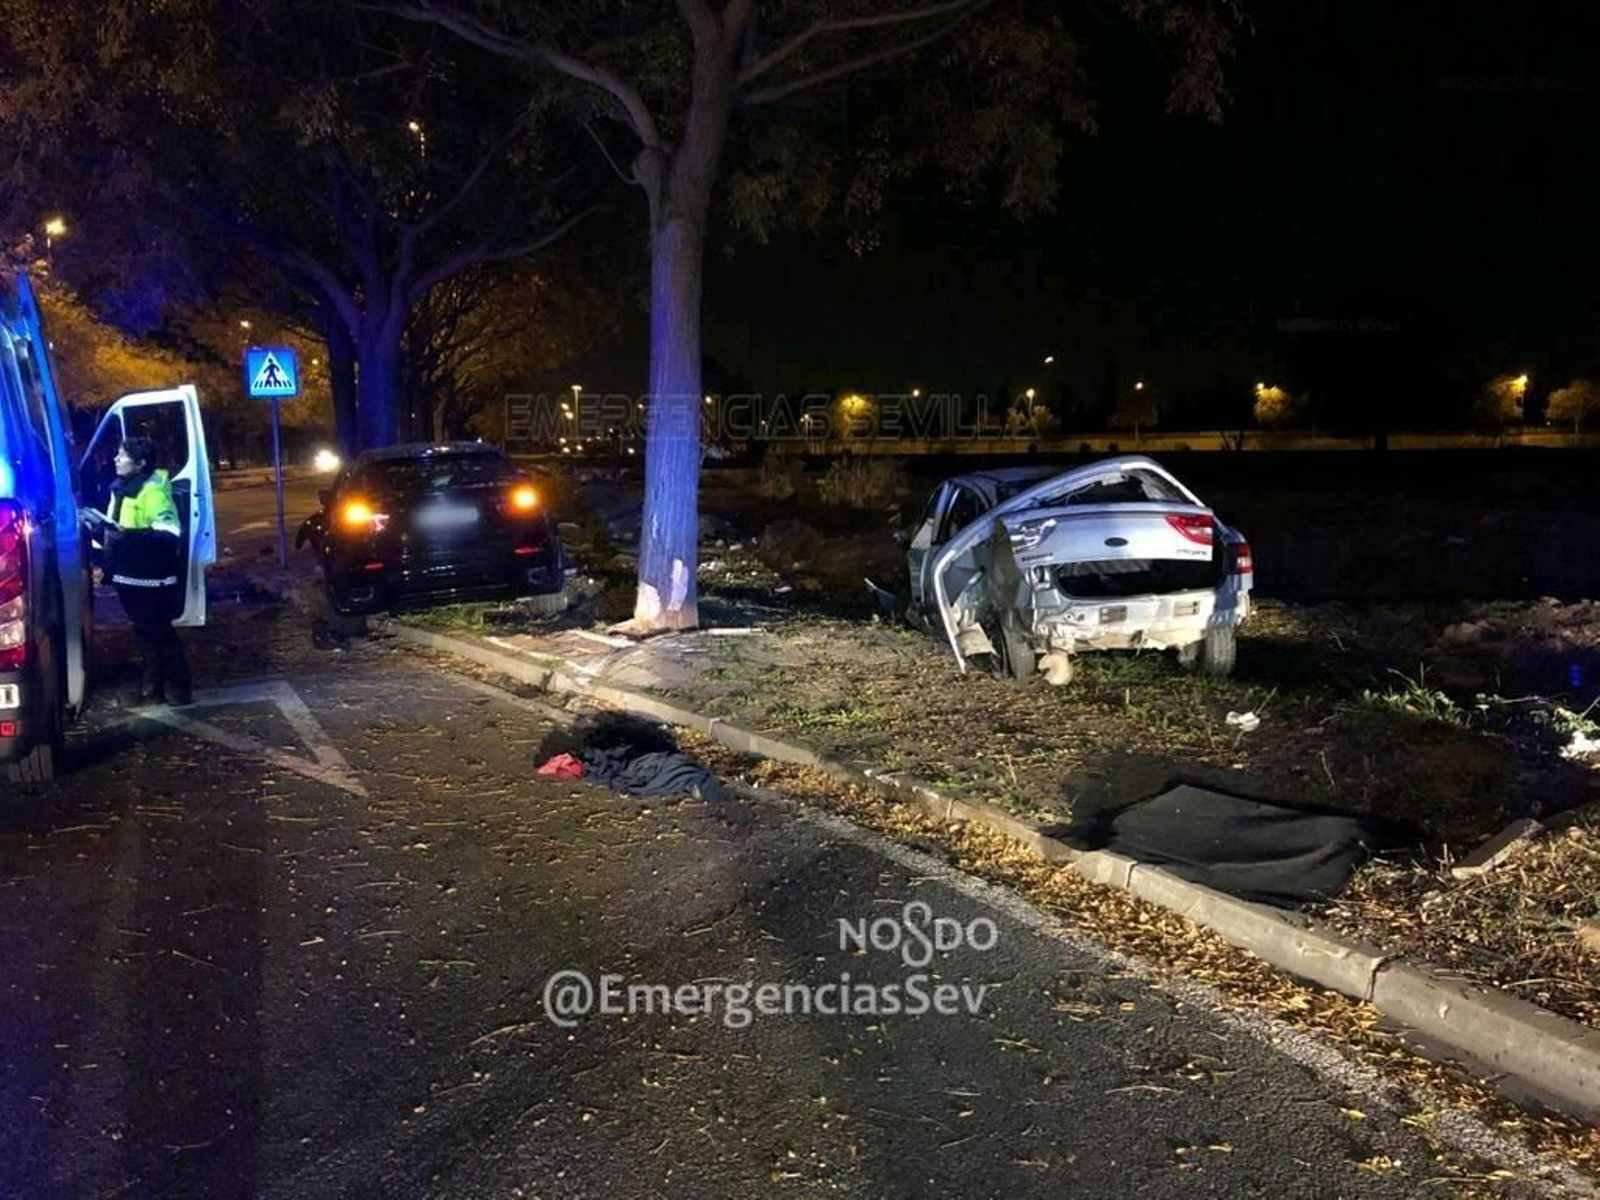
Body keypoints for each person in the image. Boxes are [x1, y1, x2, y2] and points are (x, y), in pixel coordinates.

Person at [104, 437, 193, 705]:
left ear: (140, 463)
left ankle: (178, 688)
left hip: (152, 578)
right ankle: (152, 688)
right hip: (129, 575)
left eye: (123, 455)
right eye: (118, 454)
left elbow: (169, 533)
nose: (116, 459)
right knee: (144, 634)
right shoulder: (121, 488)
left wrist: (128, 536)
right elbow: (117, 527)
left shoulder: (152, 491)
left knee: (159, 633)